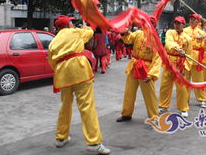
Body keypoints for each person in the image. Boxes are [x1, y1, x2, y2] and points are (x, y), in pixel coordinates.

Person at [48, 15, 110, 154]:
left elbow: (51, 62)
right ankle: (93, 142)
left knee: (65, 106)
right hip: (79, 70)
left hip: (63, 74)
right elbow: (89, 32)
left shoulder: (54, 40)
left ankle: (60, 137)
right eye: (71, 22)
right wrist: (85, 25)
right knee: (87, 106)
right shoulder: (75, 32)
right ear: (69, 24)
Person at [116, 16, 162, 122]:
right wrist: (124, 32)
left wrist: (151, 74)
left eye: (149, 23)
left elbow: (157, 58)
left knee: (149, 94)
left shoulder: (155, 39)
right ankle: (126, 114)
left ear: (153, 25)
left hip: (146, 68)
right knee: (129, 91)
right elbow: (129, 39)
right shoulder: (138, 33)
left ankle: (154, 116)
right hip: (135, 64)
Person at [159, 16, 192, 117]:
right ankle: (163, 106)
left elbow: (189, 54)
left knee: (182, 88)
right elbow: (168, 42)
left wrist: (185, 67)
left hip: (180, 64)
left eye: (179, 23)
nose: (177, 25)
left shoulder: (188, 38)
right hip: (169, 62)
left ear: (183, 24)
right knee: (165, 86)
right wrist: (177, 48)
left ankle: (183, 108)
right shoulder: (170, 32)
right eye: (176, 23)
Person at [183, 14, 206, 108]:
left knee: (198, 79)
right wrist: (194, 37)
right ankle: (185, 99)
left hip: (197, 57)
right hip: (187, 56)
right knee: (185, 79)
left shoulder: (202, 33)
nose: (192, 21)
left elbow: (205, 45)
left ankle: (202, 99)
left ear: (198, 21)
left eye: (194, 19)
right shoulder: (185, 31)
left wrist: (204, 41)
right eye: (191, 19)